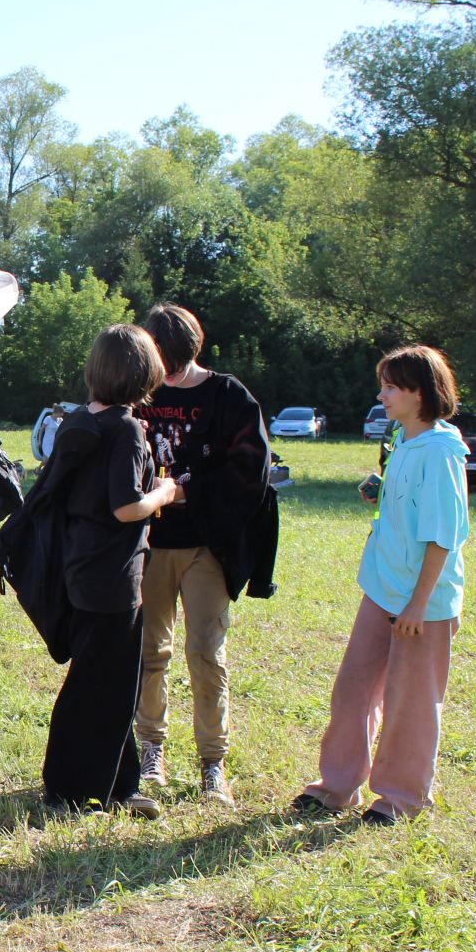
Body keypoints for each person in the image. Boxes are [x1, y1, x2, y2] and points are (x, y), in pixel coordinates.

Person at [292, 345, 469, 824]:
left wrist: (417, 605)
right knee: (353, 690)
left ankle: (401, 799)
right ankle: (336, 787)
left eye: (391, 386)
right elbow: (405, 504)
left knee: (410, 703)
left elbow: (442, 538)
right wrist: (381, 487)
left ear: (420, 393)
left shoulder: (442, 452)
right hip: (382, 590)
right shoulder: (403, 439)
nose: (381, 394)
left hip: (421, 604)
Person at [132, 303, 274, 806]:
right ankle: (151, 753)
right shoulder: (137, 390)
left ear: (191, 348)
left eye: (169, 359)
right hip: (147, 546)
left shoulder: (228, 395)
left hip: (206, 547)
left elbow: (252, 472)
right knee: (151, 653)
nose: (163, 371)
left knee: (206, 653)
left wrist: (183, 491)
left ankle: (213, 764)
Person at [41, 326, 182, 818]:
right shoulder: (126, 428)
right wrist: (164, 493)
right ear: (145, 372)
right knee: (96, 687)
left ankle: (118, 786)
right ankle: (67, 792)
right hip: (113, 575)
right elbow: (125, 507)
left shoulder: (79, 421)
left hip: (78, 566)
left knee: (107, 681)